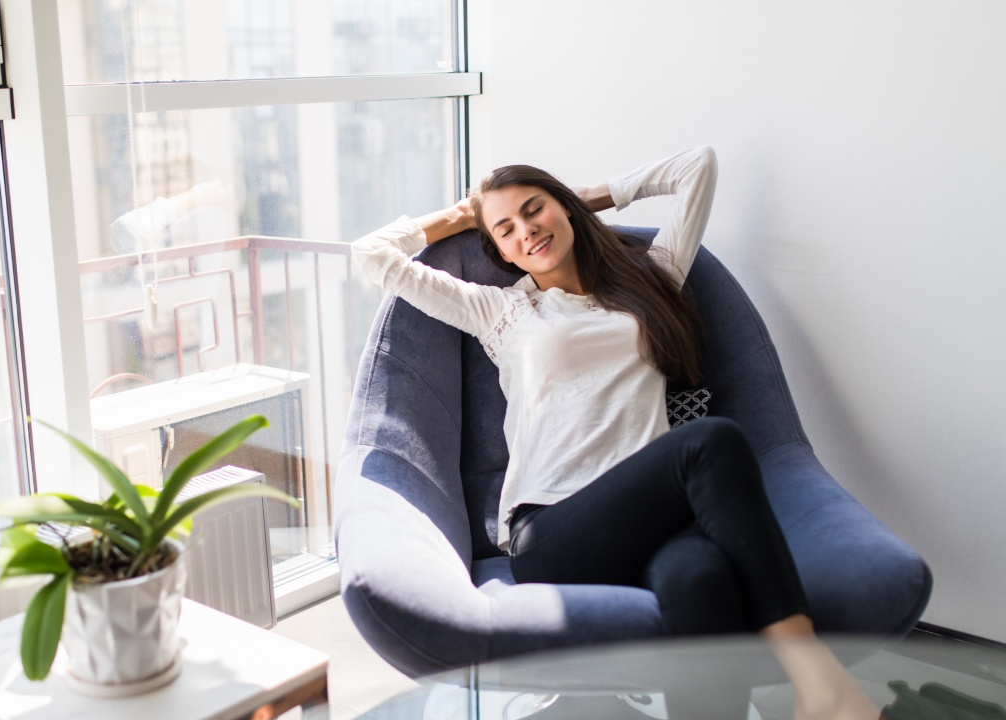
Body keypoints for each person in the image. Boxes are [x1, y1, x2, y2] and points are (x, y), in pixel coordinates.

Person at [352, 147, 877, 720]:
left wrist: (589, 195)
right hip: (554, 529)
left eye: (536, 210)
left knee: (704, 582)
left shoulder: (654, 278)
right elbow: (372, 254)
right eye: (506, 230)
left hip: (657, 524)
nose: (527, 232)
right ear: (497, 250)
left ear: (568, 209)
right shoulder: (499, 312)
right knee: (712, 442)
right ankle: (819, 680)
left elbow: (695, 167)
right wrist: (461, 216)